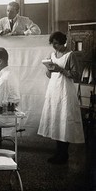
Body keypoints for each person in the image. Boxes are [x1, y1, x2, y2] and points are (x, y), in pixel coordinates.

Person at [38, 31, 84, 164]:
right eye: (52, 44)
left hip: (65, 90)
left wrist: (60, 70)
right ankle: (58, 152)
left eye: (56, 44)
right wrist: (49, 69)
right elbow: (49, 75)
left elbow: (76, 75)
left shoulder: (70, 55)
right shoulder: (52, 55)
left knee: (65, 121)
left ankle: (64, 154)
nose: (54, 47)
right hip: (54, 90)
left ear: (63, 42)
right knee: (56, 121)